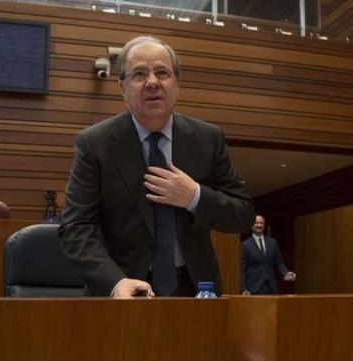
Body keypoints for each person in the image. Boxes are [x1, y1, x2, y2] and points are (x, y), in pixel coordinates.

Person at [58, 35, 255, 298]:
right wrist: (115, 283)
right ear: (122, 87)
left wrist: (194, 196)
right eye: (140, 74)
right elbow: (75, 228)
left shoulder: (208, 139)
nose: (153, 82)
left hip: (196, 291)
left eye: (162, 72)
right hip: (126, 291)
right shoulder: (95, 144)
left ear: (177, 84)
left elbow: (243, 215)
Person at [241, 215, 296, 295]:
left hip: (271, 287)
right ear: (251, 225)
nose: (259, 225)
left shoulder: (272, 243)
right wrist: (244, 288)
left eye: (261, 223)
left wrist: (286, 273)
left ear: (264, 226)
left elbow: (278, 262)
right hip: (253, 288)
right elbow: (242, 269)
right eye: (256, 223)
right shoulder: (245, 245)